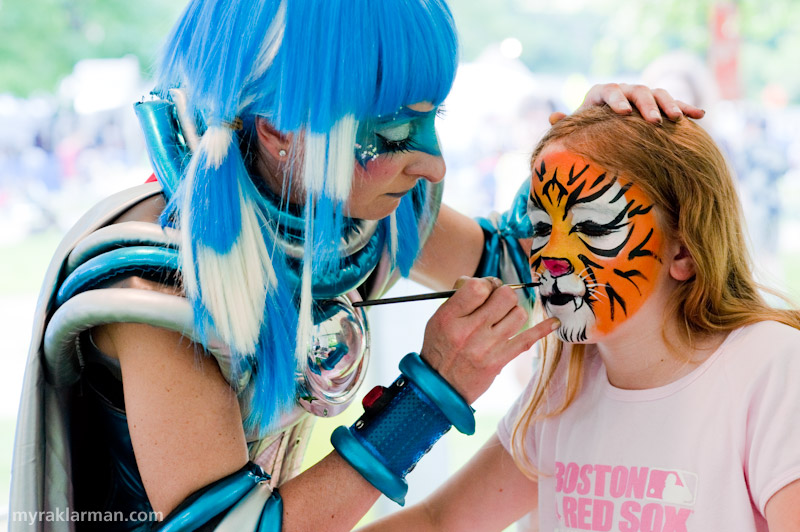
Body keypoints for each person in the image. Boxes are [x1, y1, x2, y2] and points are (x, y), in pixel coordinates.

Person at [9, 1, 702, 531]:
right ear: (282, 132)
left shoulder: (363, 206)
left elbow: (520, 269)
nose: (430, 162)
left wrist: (588, 146)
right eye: (397, 134)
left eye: (430, 123)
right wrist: (430, 395)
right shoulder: (158, 284)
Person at [360, 105, 800, 531]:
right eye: (541, 228)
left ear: (682, 251)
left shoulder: (772, 366)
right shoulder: (562, 387)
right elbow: (440, 523)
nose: (550, 256)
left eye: (591, 228)